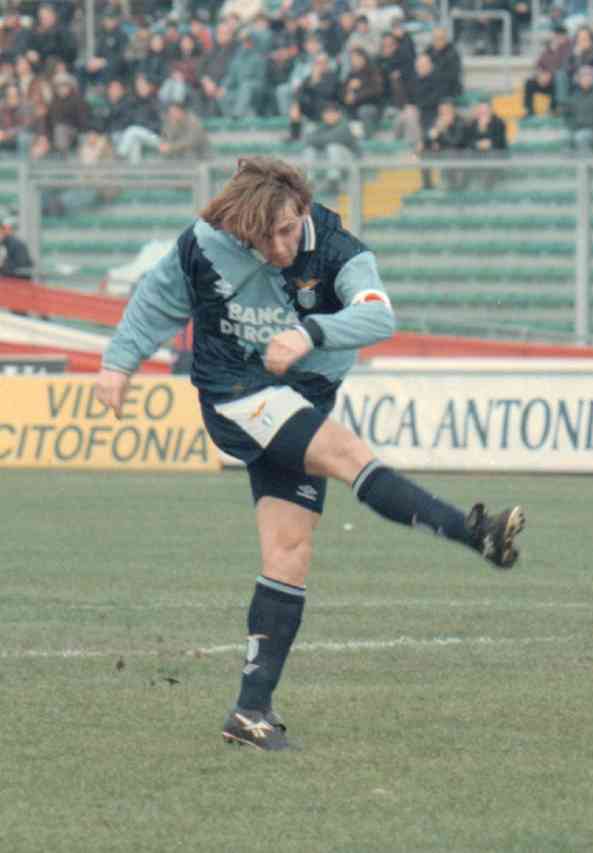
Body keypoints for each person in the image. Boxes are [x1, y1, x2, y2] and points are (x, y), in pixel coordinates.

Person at [92, 157, 526, 751]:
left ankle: (250, 712)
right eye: (263, 238)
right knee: (346, 453)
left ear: (302, 210)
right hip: (235, 391)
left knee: (289, 553)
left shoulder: (339, 250)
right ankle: (473, 531)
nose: (277, 248)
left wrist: (311, 333)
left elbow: (378, 314)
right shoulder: (209, 241)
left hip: (298, 400)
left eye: (287, 231)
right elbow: (157, 297)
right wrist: (118, 362)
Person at [0, 209, 33, 279]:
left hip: (17, 280)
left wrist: (3, 265)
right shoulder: (6, 244)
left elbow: (21, 266)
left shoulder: (16, 244)